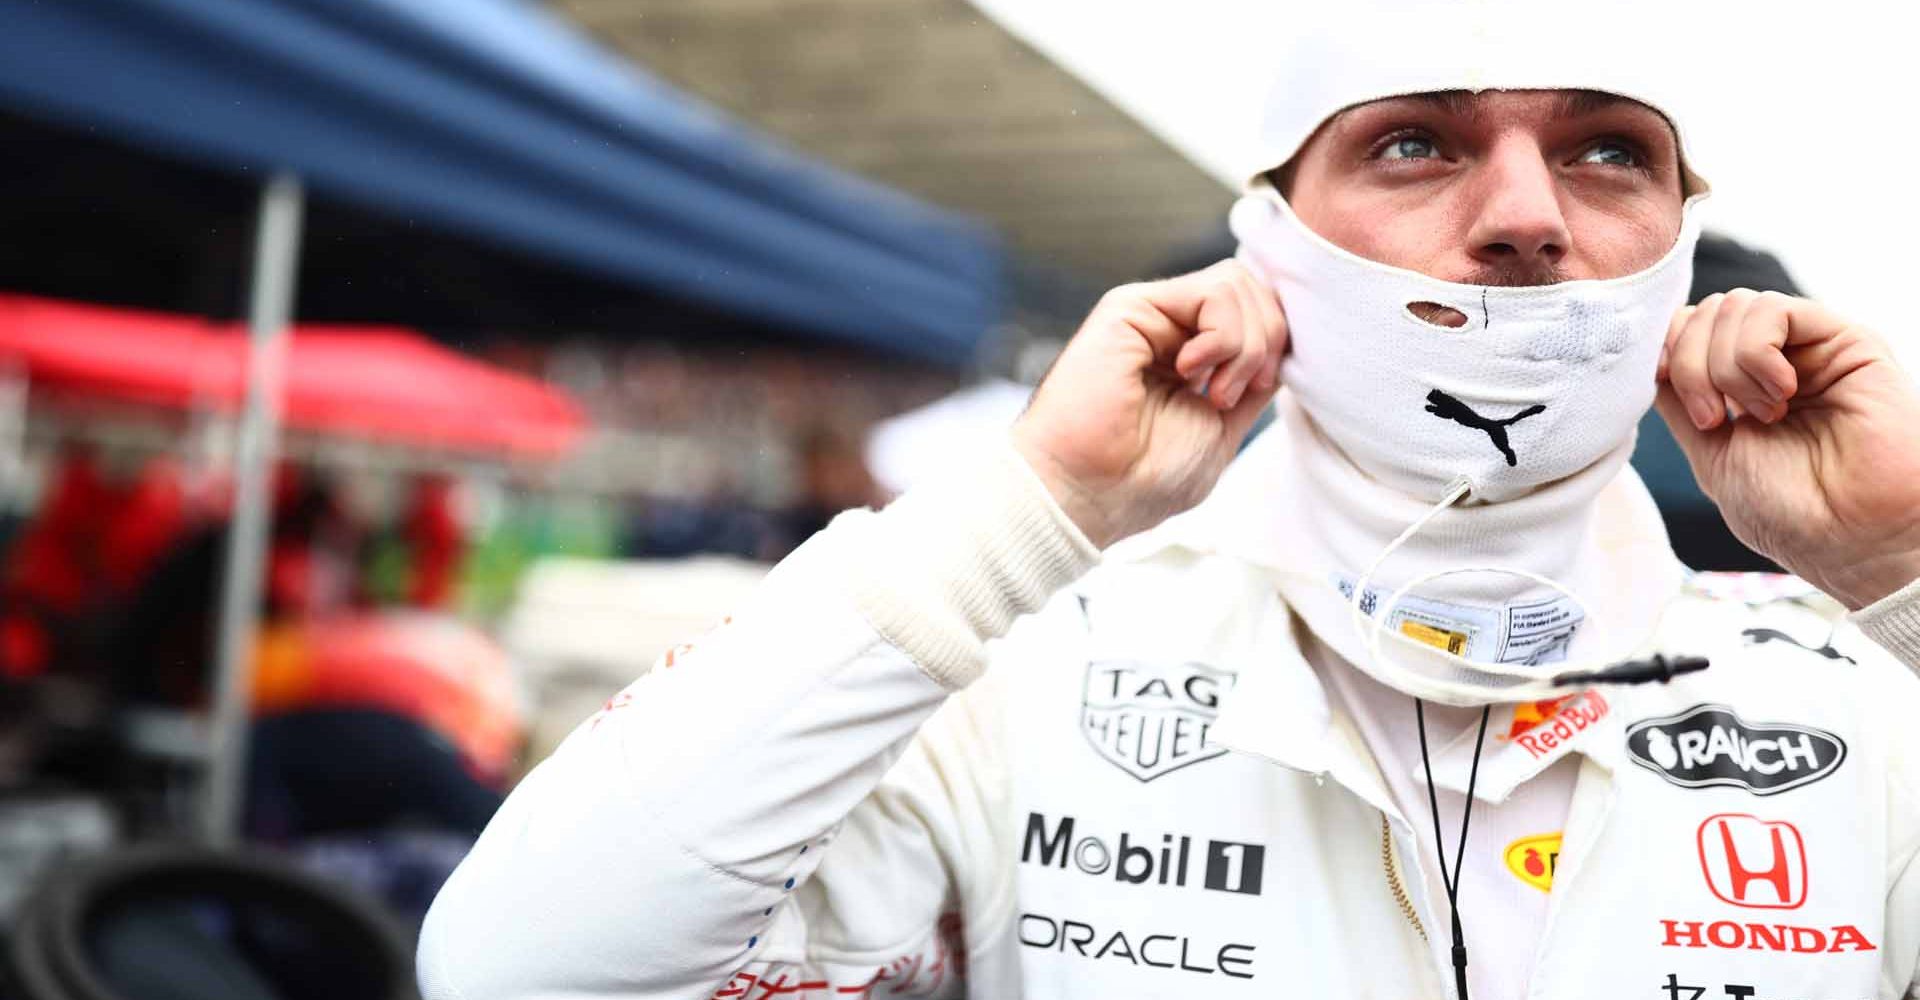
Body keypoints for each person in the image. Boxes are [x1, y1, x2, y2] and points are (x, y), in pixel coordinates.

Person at [417, 5, 1920, 998]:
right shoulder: (1029, 666)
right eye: (1417, 141)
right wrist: (1029, 511)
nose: (1528, 216)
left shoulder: (1857, 700)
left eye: (1607, 151)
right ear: (1267, 246)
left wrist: (1906, 572)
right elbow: (515, 975)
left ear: (1678, 245)